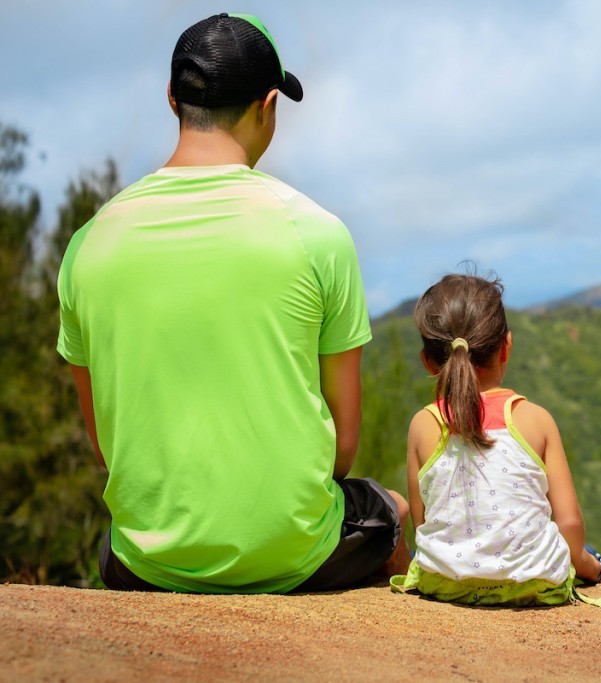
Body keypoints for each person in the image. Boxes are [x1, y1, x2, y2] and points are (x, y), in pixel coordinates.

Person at [56, 13, 410, 593]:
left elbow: (105, 447)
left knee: (114, 540)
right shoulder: (317, 232)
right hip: (295, 555)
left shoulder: (87, 243)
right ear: (268, 104)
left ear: (172, 100)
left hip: (147, 564)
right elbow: (341, 452)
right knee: (388, 507)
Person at [391, 273, 601, 607]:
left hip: (445, 584)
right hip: (533, 583)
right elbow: (569, 523)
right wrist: (587, 564)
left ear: (428, 362)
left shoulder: (423, 423)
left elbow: (424, 522)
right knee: (584, 551)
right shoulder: (536, 419)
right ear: (506, 347)